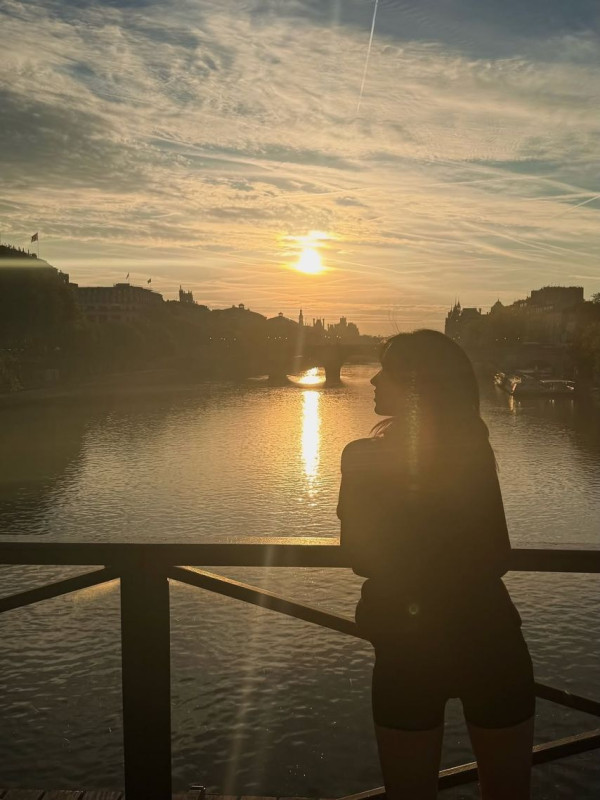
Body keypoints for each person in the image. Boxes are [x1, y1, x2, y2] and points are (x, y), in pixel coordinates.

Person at [337, 330, 535, 800]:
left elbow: (360, 557)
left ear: (416, 384)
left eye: (386, 371)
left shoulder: (360, 457)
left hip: (406, 644)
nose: (373, 381)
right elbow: (498, 553)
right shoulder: (472, 449)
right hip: (489, 635)